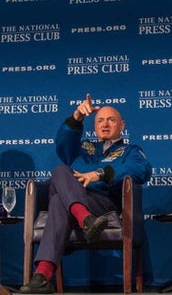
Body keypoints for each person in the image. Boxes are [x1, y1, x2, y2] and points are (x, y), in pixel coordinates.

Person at [19, 94, 152, 294]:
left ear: (122, 125)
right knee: (60, 171)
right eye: (100, 120)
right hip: (77, 196)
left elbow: (141, 170)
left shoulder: (130, 150)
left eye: (111, 120)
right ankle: (86, 220)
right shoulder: (83, 148)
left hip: (101, 201)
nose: (105, 124)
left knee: (57, 202)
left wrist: (101, 174)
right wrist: (77, 117)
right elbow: (63, 144)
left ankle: (42, 276)